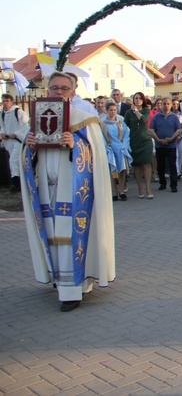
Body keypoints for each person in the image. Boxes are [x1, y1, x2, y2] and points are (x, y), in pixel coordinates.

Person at [20, 71, 115, 311]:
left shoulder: (85, 119)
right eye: (54, 88)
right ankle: (59, 279)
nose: (59, 92)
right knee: (52, 235)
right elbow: (24, 160)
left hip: (73, 189)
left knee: (71, 236)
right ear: (47, 91)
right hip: (47, 189)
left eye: (64, 88)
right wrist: (29, 147)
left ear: (73, 92)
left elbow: (97, 157)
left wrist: (76, 145)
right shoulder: (36, 119)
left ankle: (72, 290)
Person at [123, 92, 154, 199]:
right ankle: (140, 188)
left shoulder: (146, 110)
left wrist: (136, 111)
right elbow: (124, 126)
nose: (138, 100)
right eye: (136, 98)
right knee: (137, 165)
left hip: (145, 140)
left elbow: (144, 120)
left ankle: (148, 188)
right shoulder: (128, 112)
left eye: (140, 98)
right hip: (134, 141)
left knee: (147, 164)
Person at [101, 99, 132, 201]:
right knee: (112, 172)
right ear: (106, 111)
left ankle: (122, 191)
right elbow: (101, 137)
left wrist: (124, 145)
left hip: (120, 149)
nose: (113, 112)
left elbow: (127, 134)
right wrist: (106, 147)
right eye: (110, 110)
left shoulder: (120, 123)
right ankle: (114, 193)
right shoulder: (103, 124)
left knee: (122, 171)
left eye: (114, 110)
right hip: (110, 149)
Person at [149, 97, 181, 193]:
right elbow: (152, 130)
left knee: (172, 165)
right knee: (161, 166)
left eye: (168, 104)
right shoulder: (156, 117)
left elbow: (178, 130)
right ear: (161, 105)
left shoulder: (174, 117)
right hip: (160, 145)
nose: (166, 106)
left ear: (171, 105)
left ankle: (173, 185)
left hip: (171, 145)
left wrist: (171, 139)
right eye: (164, 104)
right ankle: (162, 183)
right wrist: (158, 139)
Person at [1, 93, 30, 193]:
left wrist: (16, 134)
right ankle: (18, 182)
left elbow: (26, 126)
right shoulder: (2, 113)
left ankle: (16, 184)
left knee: (13, 160)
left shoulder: (18, 112)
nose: (5, 103)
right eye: (3, 101)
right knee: (14, 161)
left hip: (18, 140)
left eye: (7, 101)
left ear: (11, 101)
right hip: (9, 141)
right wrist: (3, 134)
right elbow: (2, 126)